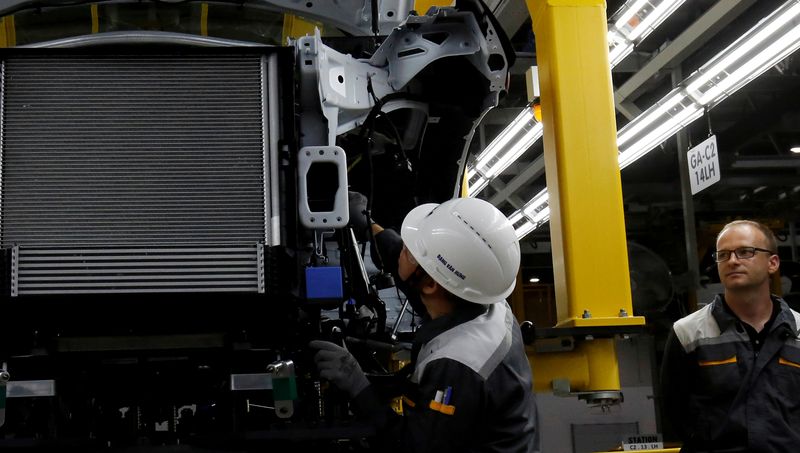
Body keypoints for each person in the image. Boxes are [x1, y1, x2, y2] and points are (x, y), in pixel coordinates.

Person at [310, 194, 540, 452]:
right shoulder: (475, 294)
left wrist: (358, 386)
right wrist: (367, 224)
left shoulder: (459, 363)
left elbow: (410, 447)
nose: (404, 250)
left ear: (430, 284)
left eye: (410, 251)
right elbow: (411, 261)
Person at [660, 219, 800, 453]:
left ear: (772, 263)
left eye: (745, 252)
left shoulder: (797, 330)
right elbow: (674, 412)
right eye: (723, 255)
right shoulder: (689, 333)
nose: (732, 261)